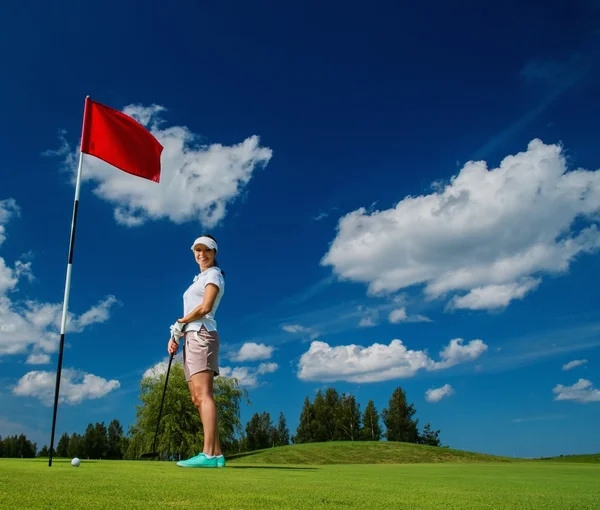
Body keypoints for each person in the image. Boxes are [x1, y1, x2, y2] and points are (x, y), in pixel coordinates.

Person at [167, 234, 226, 468]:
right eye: (197, 250)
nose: (202, 254)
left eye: (206, 250)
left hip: (202, 334)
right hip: (191, 335)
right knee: (195, 398)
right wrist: (176, 335)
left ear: (214, 252)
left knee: (204, 395)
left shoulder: (214, 274)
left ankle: (208, 454)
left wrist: (180, 322)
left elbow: (205, 307)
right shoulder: (198, 278)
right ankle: (218, 455)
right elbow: (190, 313)